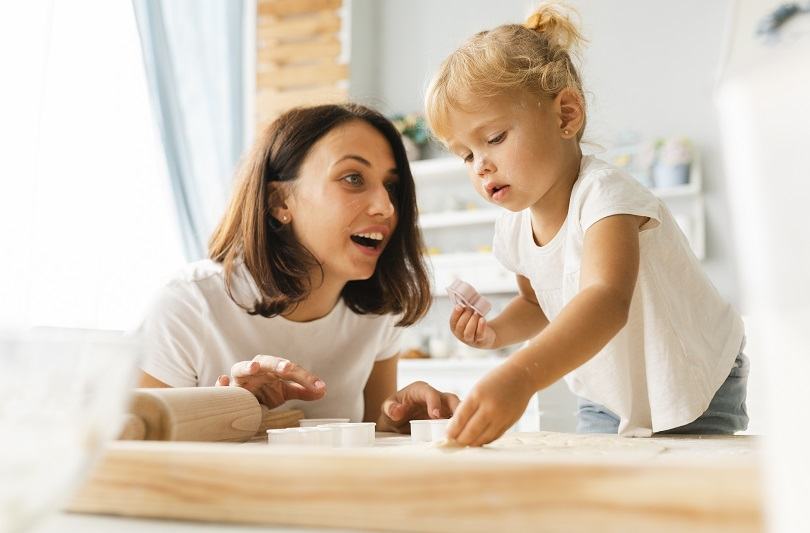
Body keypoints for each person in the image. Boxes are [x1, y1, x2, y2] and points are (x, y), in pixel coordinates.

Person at [424, 2, 749, 446]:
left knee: (683, 491)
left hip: (687, 375)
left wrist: (520, 376)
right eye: (465, 154)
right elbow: (538, 305)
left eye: (494, 138)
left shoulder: (606, 195)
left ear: (565, 115)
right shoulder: (514, 228)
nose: (481, 165)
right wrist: (497, 331)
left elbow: (605, 300)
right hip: (608, 390)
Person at [137, 103, 459, 432]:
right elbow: (134, 450)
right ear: (279, 202)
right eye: (353, 178)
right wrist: (229, 410)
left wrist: (395, 424)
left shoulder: (379, 315)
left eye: (391, 186)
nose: (386, 206)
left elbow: (370, 443)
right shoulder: (190, 304)